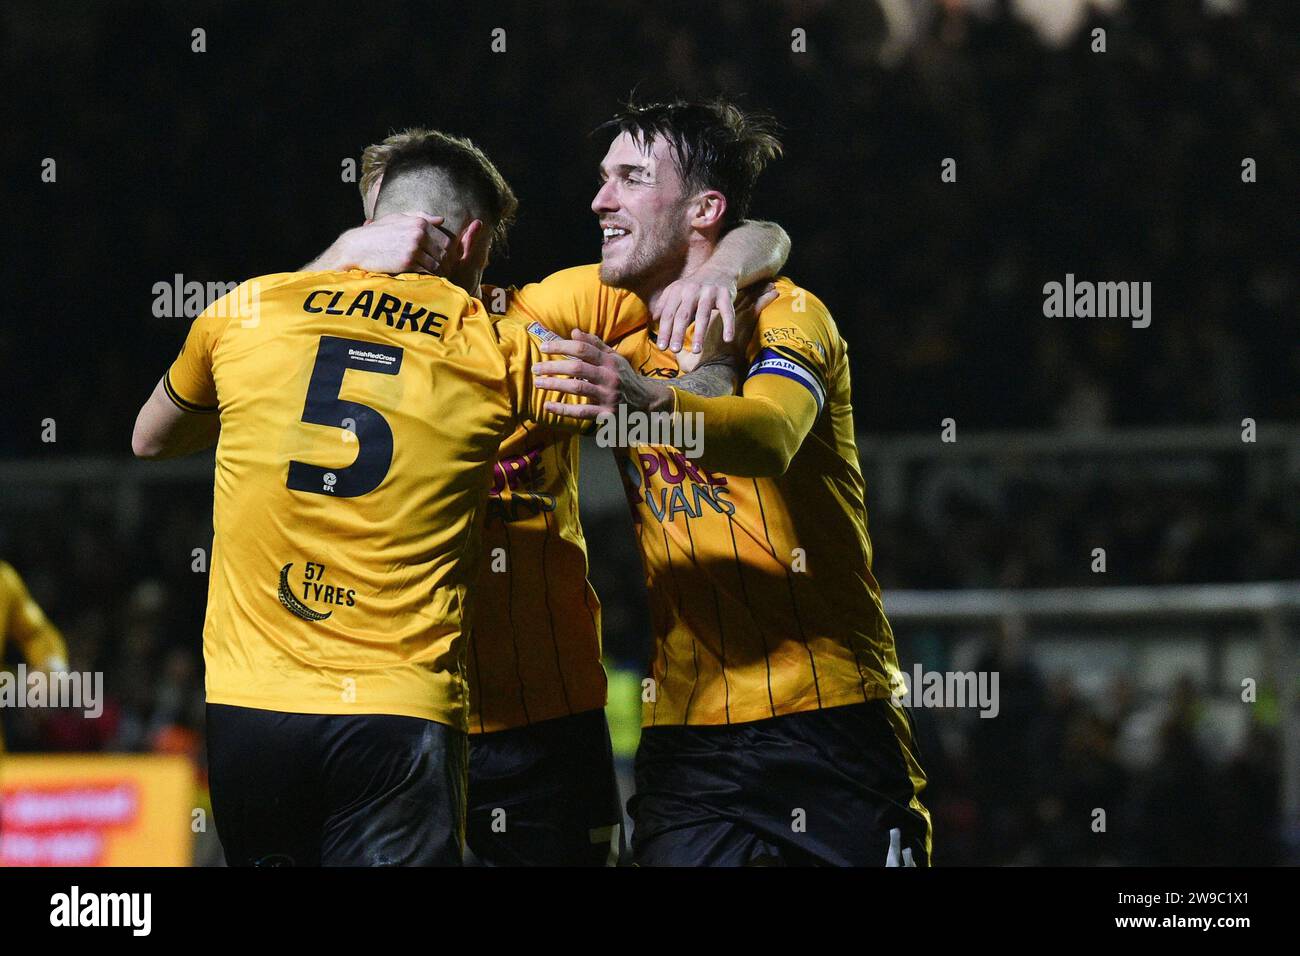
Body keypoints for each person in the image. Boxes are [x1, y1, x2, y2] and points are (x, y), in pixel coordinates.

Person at [305, 128, 786, 865]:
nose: (390, 243)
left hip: (546, 723)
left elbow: (753, 234)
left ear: (466, 237)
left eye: (408, 221)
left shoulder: (548, 315)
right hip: (388, 716)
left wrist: (719, 271)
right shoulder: (315, 339)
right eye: (374, 224)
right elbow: (186, 389)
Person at [131, 132, 590, 866]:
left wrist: (330, 262)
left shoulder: (247, 311)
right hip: (395, 714)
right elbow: (664, 405)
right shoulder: (497, 349)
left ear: (373, 219)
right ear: (472, 241)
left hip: (250, 714)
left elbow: (151, 438)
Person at [538, 97, 932, 866]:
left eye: (630, 178)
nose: (600, 199)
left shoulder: (788, 312)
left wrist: (647, 399)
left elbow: (769, 435)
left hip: (828, 717)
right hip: (688, 743)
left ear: (703, 209)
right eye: (601, 178)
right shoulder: (609, 323)